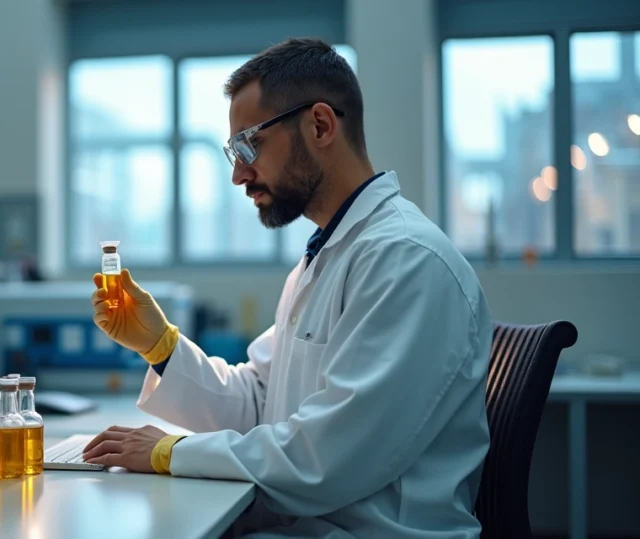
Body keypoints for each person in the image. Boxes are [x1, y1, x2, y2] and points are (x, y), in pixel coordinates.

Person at [84, 37, 492, 538]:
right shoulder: (324, 258)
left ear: (320, 125)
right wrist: (159, 345)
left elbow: (327, 459)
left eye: (249, 145)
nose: (238, 174)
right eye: (233, 151)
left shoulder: (406, 260)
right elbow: (261, 405)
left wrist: (169, 452)